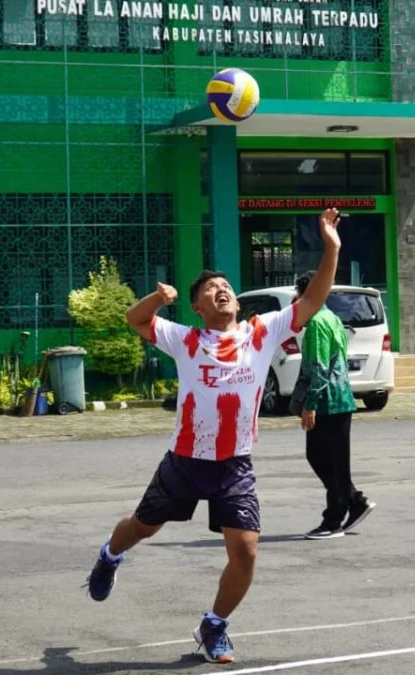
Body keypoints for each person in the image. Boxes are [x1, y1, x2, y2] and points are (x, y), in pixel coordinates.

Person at [84, 208, 344, 665]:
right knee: (142, 527)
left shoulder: (262, 333)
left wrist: (331, 248)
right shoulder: (184, 338)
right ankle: (109, 555)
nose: (220, 291)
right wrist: (156, 298)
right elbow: (134, 318)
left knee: (245, 551)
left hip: (234, 464)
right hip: (185, 459)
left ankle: (215, 625)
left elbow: (313, 300)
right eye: (209, 289)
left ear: (237, 302)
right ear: (198, 307)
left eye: (225, 287)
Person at [290, 270, 376, 540]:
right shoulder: (332, 318)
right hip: (341, 399)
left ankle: (335, 518)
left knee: (325, 459)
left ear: (305, 294)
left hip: (328, 402)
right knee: (329, 460)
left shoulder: (316, 322)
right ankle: (353, 501)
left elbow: (319, 367)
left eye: (298, 294)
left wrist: (310, 405)